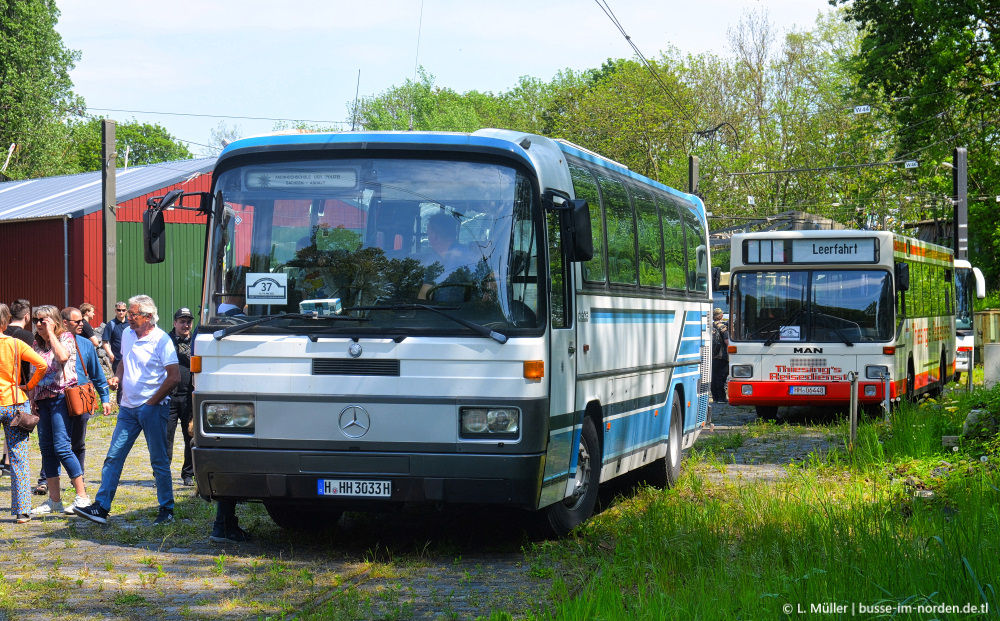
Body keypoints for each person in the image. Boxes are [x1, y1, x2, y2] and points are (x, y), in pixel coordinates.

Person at [75, 295, 180, 526]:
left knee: (159, 461)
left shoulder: (162, 340)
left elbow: (175, 377)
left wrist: (152, 403)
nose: (129, 318)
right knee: (113, 456)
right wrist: (117, 378)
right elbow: (123, 361)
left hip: (152, 408)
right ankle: (101, 507)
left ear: (149, 317)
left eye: (134, 315)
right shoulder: (127, 334)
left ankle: (167, 509)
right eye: (129, 314)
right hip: (127, 409)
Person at [28, 305, 92, 517]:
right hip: (43, 400)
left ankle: (82, 496)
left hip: (61, 398)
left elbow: (63, 357)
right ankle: (55, 501)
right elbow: (35, 371)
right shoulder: (37, 344)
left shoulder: (65, 338)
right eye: (36, 320)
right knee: (46, 449)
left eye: (43, 320)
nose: (38, 324)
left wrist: (52, 334)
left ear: (54, 321)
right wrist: (32, 397)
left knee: (63, 447)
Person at [0, 303, 47, 523]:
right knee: (19, 458)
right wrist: (29, 386)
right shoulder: (17, 344)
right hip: (14, 403)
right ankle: (22, 511)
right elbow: (42, 365)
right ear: (5, 320)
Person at [60, 307, 112, 474]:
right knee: (56, 441)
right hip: (58, 398)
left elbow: (97, 374)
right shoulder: (54, 342)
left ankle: (78, 476)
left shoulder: (85, 344)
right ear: (65, 323)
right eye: (78, 321)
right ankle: (46, 478)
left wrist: (105, 398)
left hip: (79, 398)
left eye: (82, 320)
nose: (82, 324)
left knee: (78, 442)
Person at [2, 298, 32, 478]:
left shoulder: (2, 331)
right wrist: (30, 384)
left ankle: (4, 461)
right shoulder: (26, 336)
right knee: (16, 427)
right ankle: (8, 462)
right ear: (27, 316)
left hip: (2, 388)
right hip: (18, 388)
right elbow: (37, 364)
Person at [166, 307, 195, 486]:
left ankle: (188, 474)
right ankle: (162, 472)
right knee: (165, 437)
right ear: (175, 323)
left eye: (188, 322)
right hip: (168, 396)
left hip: (188, 396)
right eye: (182, 321)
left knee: (190, 437)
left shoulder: (197, 342)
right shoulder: (166, 341)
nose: (185, 325)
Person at [417, 212, 476, 301]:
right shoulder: (433, 259)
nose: (428, 237)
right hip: (438, 311)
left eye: (428, 233)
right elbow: (425, 291)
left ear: (434, 236)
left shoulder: (466, 257)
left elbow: (490, 282)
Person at [101, 301, 129, 406]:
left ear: (126, 311)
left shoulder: (130, 324)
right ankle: (121, 405)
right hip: (117, 359)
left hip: (130, 358)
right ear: (115, 311)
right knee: (120, 383)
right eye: (119, 310)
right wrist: (111, 354)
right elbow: (104, 342)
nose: (121, 312)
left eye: (123, 310)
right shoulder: (111, 324)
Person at [711, 307, 730, 403]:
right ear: (721, 316)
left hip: (711, 356)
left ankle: (715, 397)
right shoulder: (723, 327)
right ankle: (721, 398)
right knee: (721, 376)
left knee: (713, 377)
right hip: (721, 356)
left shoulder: (710, 326)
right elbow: (727, 341)